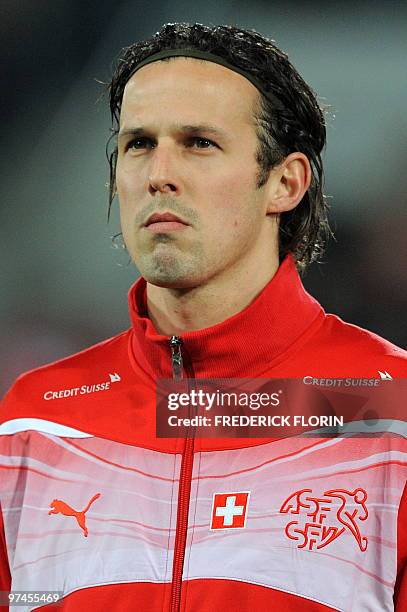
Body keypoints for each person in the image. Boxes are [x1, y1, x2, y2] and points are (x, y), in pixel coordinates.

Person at [0, 22, 406, 612]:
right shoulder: (35, 422)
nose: (158, 173)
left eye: (199, 142)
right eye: (139, 143)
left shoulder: (391, 406)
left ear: (285, 183)